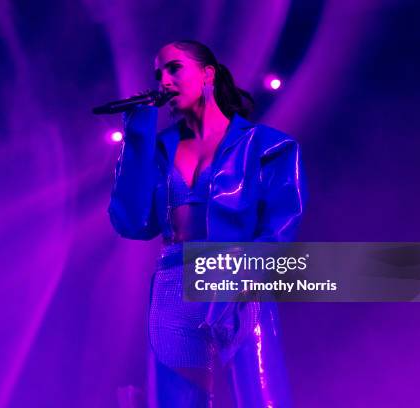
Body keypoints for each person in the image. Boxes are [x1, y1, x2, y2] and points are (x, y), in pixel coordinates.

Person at [108, 40, 306, 407]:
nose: (164, 80)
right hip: (173, 283)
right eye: (158, 74)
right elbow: (133, 222)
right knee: (175, 401)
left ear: (207, 73)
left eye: (174, 68)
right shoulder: (159, 150)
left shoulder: (265, 145)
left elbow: (281, 229)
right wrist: (136, 139)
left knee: (260, 396)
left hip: (241, 279)